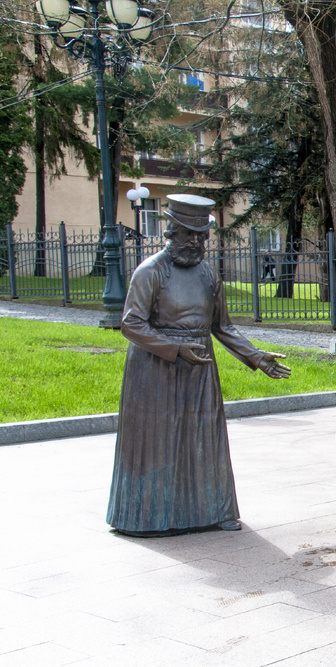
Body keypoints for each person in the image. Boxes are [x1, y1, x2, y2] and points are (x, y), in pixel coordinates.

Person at [107, 194, 291, 537]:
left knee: (205, 438)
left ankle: (213, 510)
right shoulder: (150, 272)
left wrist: (255, 355)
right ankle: (149, 517)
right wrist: (175, 348)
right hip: (156, 368)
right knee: (158, 441)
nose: (195, 243)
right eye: (188, 235)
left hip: (200, 365)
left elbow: (223, 326)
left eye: (201, 237)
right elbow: (131, 324)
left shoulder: (208, 274)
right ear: (170, 231)